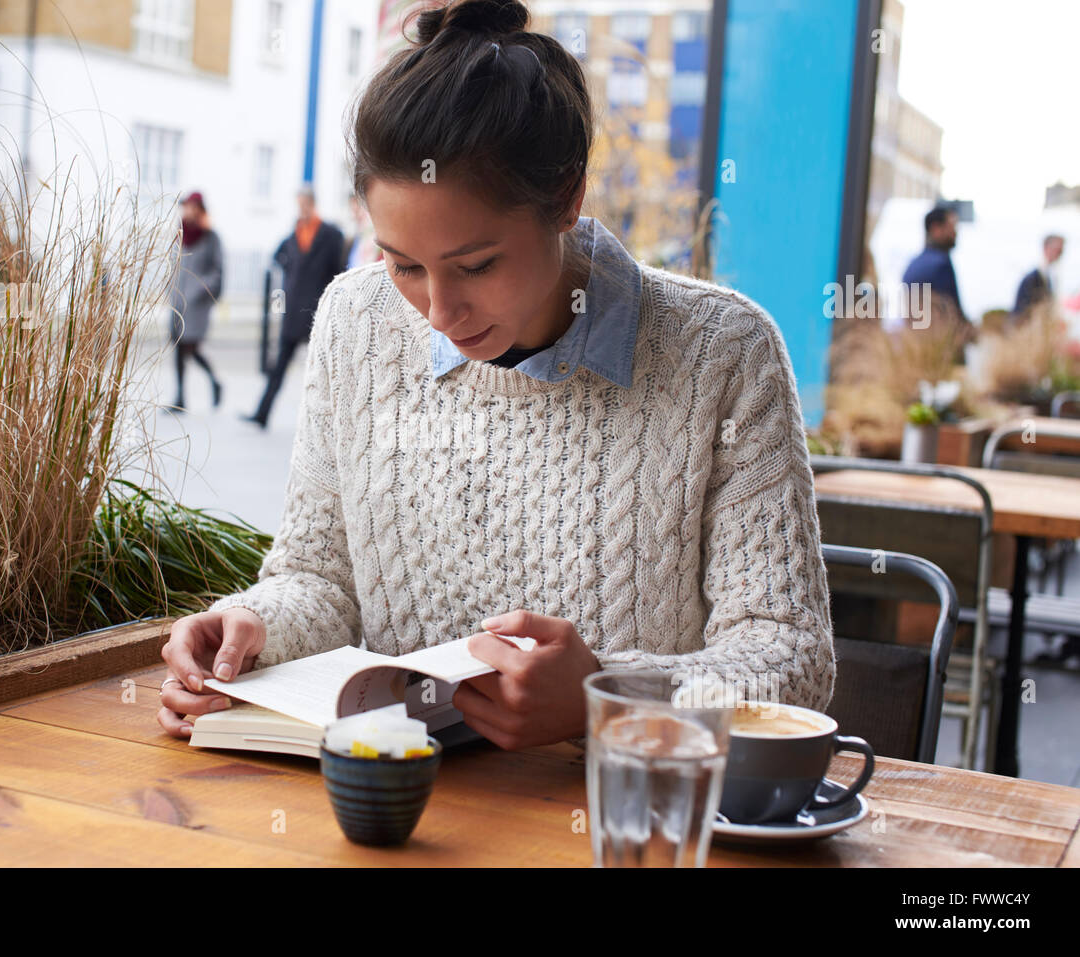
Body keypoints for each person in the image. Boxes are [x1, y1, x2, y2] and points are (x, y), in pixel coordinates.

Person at [159, 0, 835, 749]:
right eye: (404, 264)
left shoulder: (724, 354)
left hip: (620, 819)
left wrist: (603, 694)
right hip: (400, 811)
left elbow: (790, 658)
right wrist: (254, 625)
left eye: (476, 265)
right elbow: (320, 578)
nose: (439, 311)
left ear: (567, 198)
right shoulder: (355, 321)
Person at [240, 185, 346, 428]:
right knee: (280, 365)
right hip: (293, 309)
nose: (301, 208)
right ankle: (262, 413)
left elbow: (337, 269)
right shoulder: (294, 233)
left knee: (324, 370)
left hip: (316, 310)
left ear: (312, 203)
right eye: (299, 204)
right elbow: (279, 258)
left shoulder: (330, 234)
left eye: (304, 204)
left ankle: (331, 423)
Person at [169, 191, 224, 412]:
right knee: (178, 347)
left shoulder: (211, 237)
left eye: (193, 207)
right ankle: (180, 397)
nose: (188, 211)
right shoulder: (180, 233)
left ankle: (214, 382)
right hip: (178, 301)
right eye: (186, 206)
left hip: (196, 305)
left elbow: (218, 272)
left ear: (200, 210)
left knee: (190, 348)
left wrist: (200, 288)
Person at [901, 205, 973, 360]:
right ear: (936, 228)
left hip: (915, 349)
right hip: (942, 353)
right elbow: (953, 314)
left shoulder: (912, 265)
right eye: (952, 227)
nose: (955, 233)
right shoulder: (941, 265)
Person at [1012, 234, 1065, 321]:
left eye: (1061, 251)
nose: (1059, 255)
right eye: (1058, 250)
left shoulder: (1051, 276)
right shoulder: (1032, 278)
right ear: (1046, 248)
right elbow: (1022, 311)